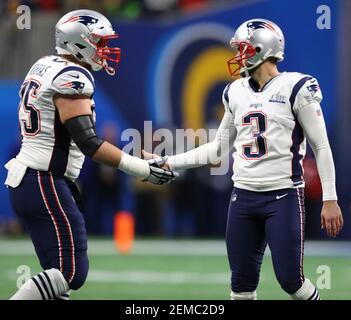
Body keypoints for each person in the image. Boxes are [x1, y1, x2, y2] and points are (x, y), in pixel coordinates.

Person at [146, 19, 343, 300]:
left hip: (283, 196)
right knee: (240, 286)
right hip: (243, 198)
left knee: (291, 281)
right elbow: (216, 150)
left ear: (262, 49)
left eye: (243, 48)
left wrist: (330, 198)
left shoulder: (297, 87)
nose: (238, 55)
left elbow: (321, 147)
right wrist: (170, 162)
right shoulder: (235, 91)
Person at [4, 9, 177, 300]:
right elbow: (89, 142)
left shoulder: (44, 65)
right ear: (79, 42)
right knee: (72, 272)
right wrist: (143, 168)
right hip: (44, 180)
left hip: (31, 179)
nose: (105, 50)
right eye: (100, 42)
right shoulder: (72, 76)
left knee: (58, 281)